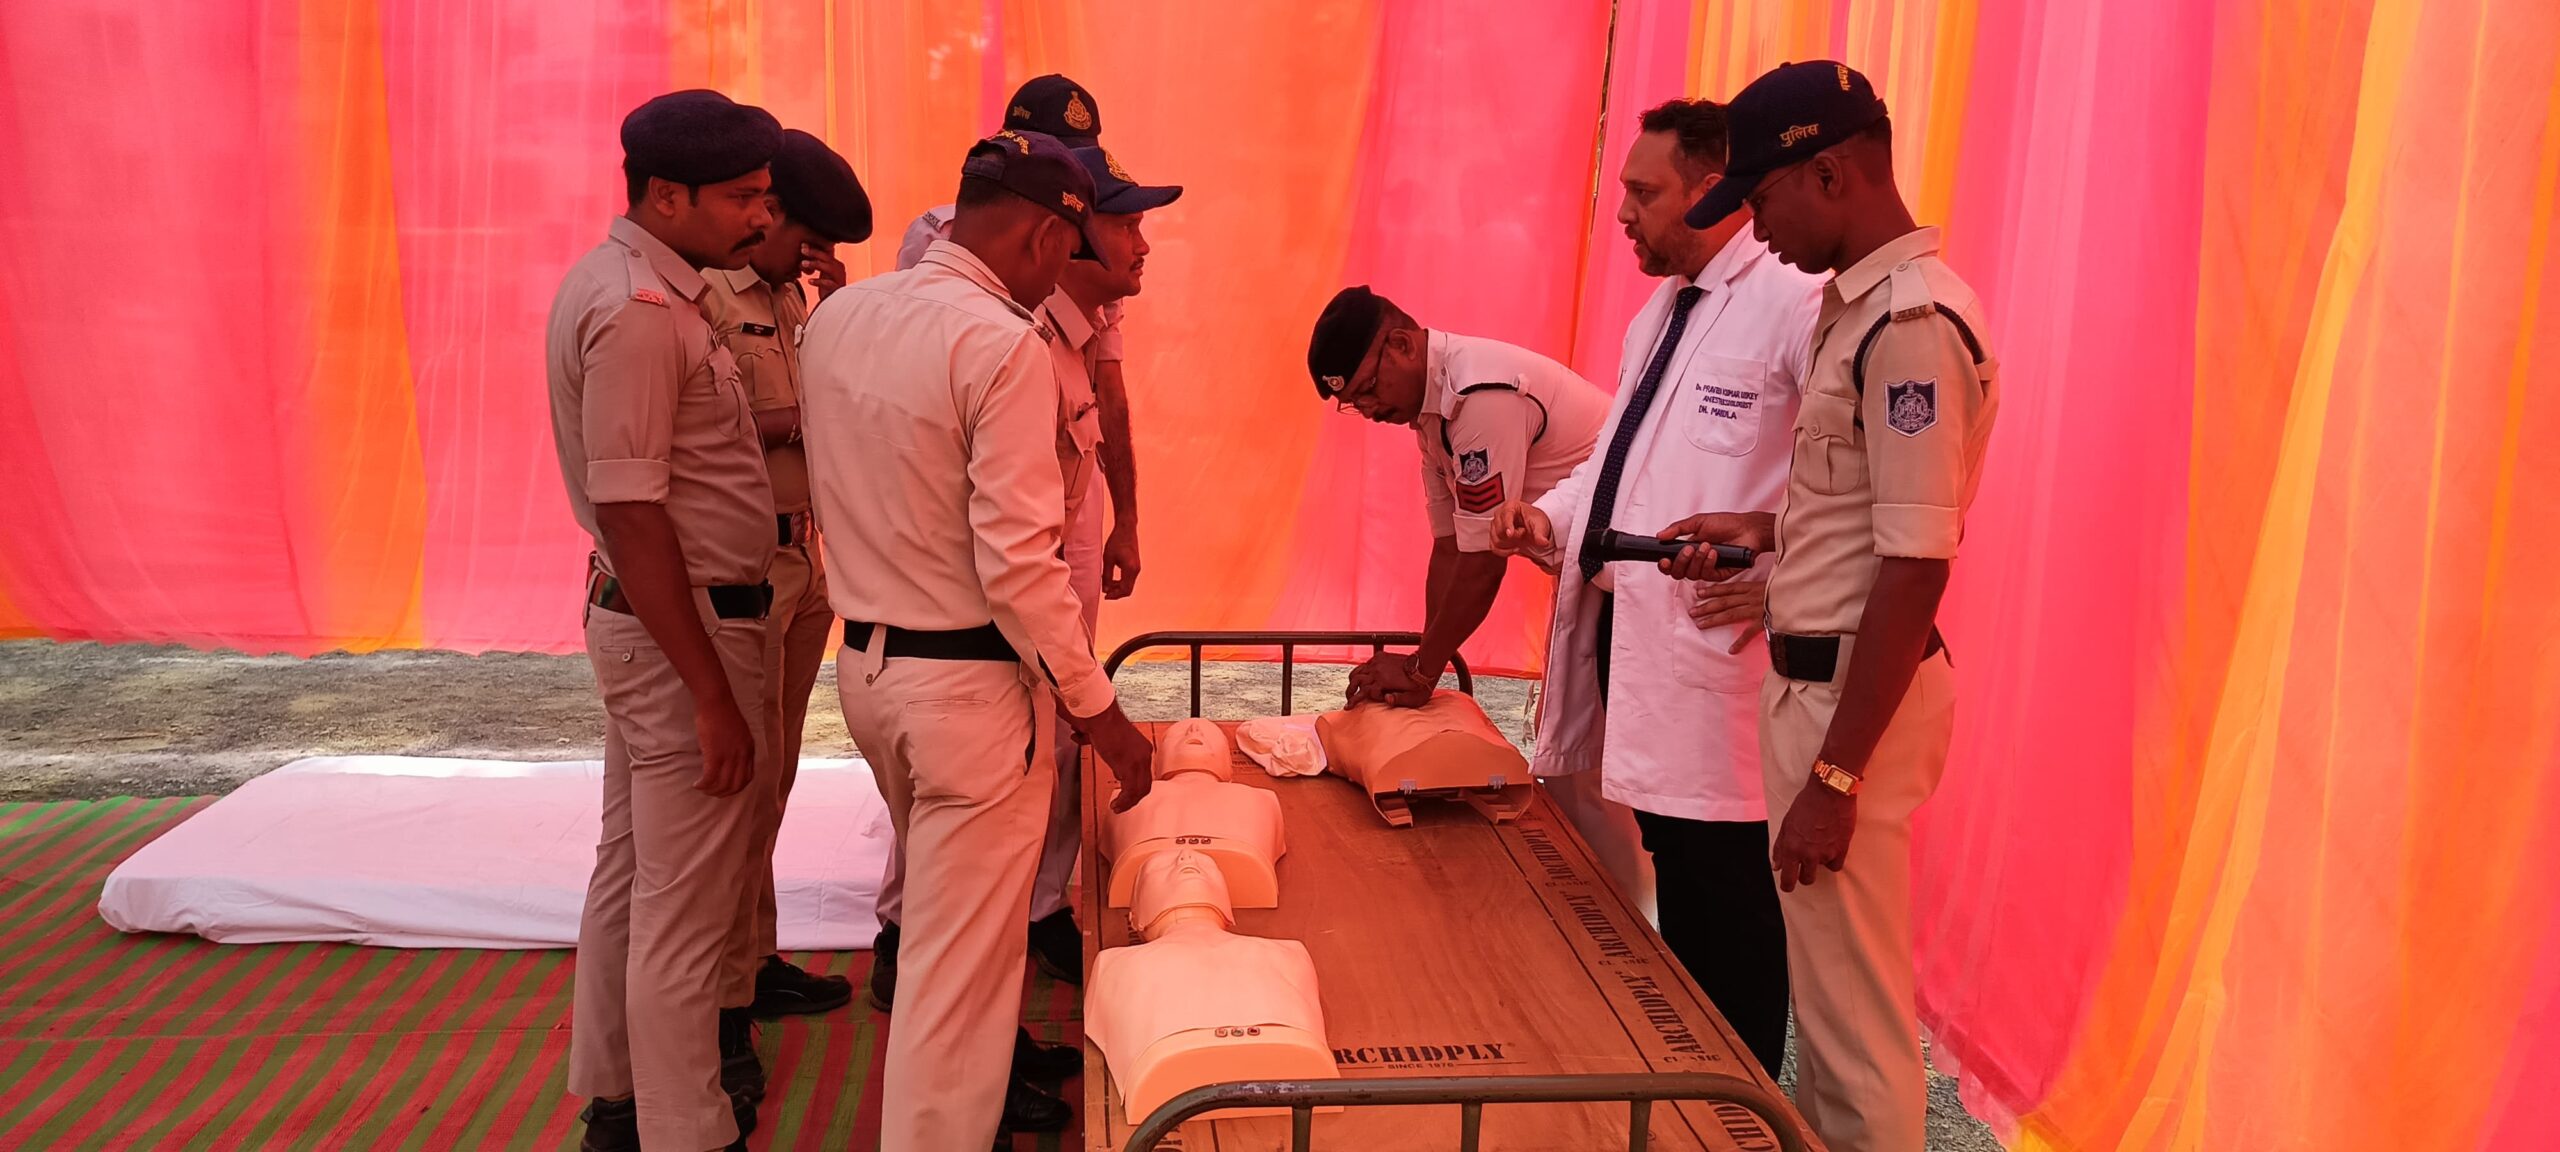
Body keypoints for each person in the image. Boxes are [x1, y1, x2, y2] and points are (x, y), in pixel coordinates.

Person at [798, 128, 1159, 1152]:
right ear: (1046, 237)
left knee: (942, 947)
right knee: (959, 983)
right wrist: (1103, 717)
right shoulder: (1002, 344)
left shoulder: (842, 316)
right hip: (968, 692)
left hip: (868, 670)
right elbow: (1018, 568)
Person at [1671, 61, 2002, 1152]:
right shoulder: (1858, 309)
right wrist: (1764, 529)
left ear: (1829, 173)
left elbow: (1915, 565)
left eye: (1761, 199)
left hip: (1853, 700)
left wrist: (1836, 778)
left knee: (1855, 1029)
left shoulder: (1909, 328)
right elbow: (1861, 509)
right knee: (1827, 1003)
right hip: (1823, 686)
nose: (1756, 228)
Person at [1487, 97, 1821, 1079]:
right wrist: (1548, 518)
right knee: (1679, 878)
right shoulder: (1662, 311)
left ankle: (1739, 1104)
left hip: (1719, 654)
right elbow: (1617, 465)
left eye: (1642, 193)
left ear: (1713, 190)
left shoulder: (1795, 306)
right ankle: (1694, 1093)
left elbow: (1842, 485)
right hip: (1638, 639)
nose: (1624, 213)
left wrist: (1777, 572)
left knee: (1734, 905)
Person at [872, 71, 1148, 1013]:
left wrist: (1126, 515)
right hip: (976, 503)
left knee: (1053, 726)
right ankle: (907, 924)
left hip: (1065, 486)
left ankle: (1039, 908)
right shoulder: (947, 237)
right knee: (969, 748)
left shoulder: (1097, 254)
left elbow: (1109, 390)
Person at [544, 89, 779, 1152]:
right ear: (666, 195)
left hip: (664, 627)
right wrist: (709, 694)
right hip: (686, 632)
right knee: (684, 907)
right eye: (742, 196)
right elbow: (634, 514)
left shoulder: (649, 288)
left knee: (635, 875)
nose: (762, 216)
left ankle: (620, 1101)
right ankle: (688, 1131)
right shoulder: (641, 310)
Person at [697, 127, 870, 1084]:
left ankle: (753, 961)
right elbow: (703, 423)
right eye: (806, 238)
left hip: (806, 561)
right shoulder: (707, 298)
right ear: (769, 214)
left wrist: (838, 312)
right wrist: (802, 419)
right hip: (744, 559)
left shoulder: (795, 301)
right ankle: (721, 1007)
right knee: (739, 787)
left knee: (777, 776)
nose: (809, 256)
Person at [1303, 288, 1609, 706]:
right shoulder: (1431, 408)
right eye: (1354, 403)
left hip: (1636, 568)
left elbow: (1484, 564)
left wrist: (1420, 671)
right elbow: (1449, 548)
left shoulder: (1478, 396)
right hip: (1589, 569)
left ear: (1402, 344)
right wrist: (1421, 667)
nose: (1369, 410)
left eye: (1368, 388)